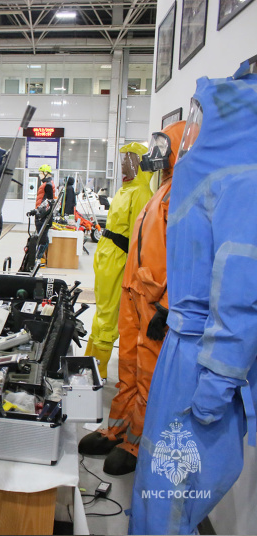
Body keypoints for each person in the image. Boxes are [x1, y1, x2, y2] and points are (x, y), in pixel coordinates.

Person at [129, 66, 257, 536]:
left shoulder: (244, 184)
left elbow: (242, 298)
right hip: (183, 351)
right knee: (157, 485)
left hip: (201, 359)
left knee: (171, 495)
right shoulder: (226, 179)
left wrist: (217, 385)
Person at [79, 121, 185, 476]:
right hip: (134, 294)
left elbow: (188, 257)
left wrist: (168, 305)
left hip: (155, 302)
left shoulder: (181, 197)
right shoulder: (161, 191)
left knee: (148, 371)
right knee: (128, 366)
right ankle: (118, 427)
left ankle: (137, 442)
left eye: (164, 147)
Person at [84, 143, 153, 379]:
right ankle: (87, 363)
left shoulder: (141, 193)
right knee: (101, 312)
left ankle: (96, 370)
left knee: (108, 316)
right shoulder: (126, 189)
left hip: (119, 263)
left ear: (141, 165)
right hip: (107, 260)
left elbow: (138, 239)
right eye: (124, 159)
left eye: (130, 159)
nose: (124, 164)